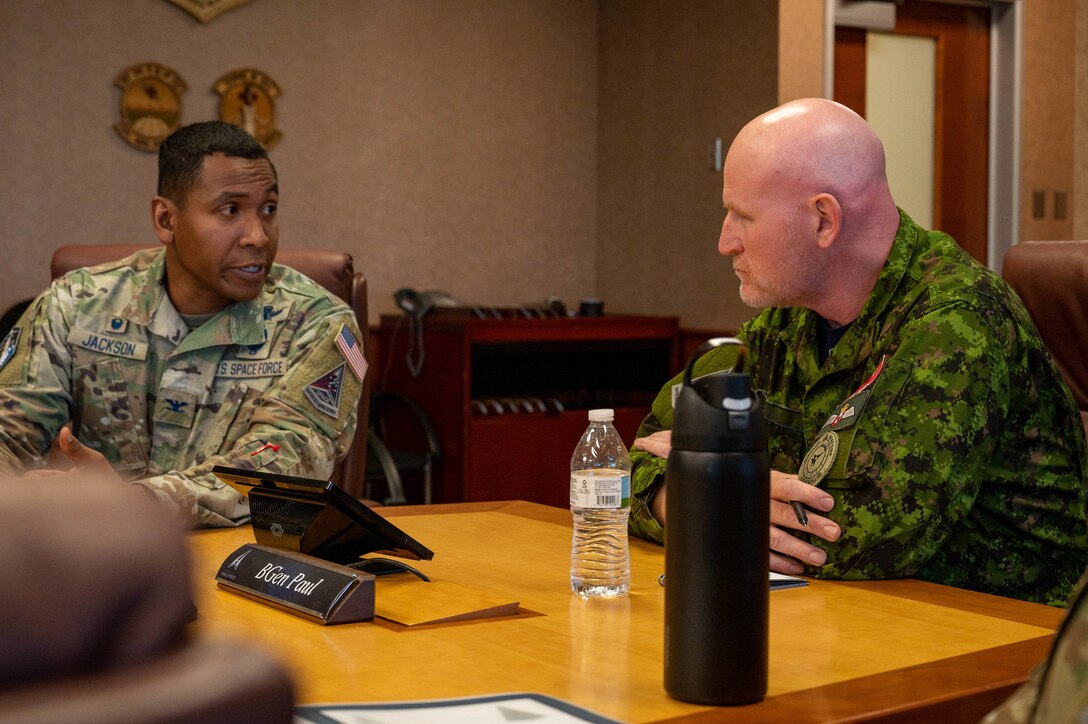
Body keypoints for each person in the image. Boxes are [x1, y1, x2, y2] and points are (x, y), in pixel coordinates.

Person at [628, 98, 1088, 606]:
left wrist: (701, 486)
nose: (725, 241)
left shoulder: (956, 321)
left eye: (743, 216)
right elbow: (623, 466)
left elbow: (856, 542)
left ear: (824, 220)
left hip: (1005, 639)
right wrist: (710, 497)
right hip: (852, 617)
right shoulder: (788, 319)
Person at [0, 121, 366, 527]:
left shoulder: (320, 324)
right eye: (230, 210)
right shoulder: (76, 303)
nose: (258, 236)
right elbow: (7, 430)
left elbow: (287, 461)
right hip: (93, 561)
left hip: (242, 563)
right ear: (166, 220)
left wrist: (136, 503)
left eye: (269, 210)